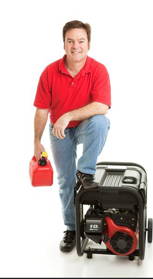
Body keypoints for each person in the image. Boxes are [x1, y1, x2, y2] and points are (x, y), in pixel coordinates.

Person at [33, 20, 111, 253]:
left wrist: (68, 115)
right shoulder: (50, 71)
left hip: (84, 125)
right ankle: (71, 228)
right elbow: (41, 110)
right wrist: (36, 142)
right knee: (66, 181)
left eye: (81, 41)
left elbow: (102, 106)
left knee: (100, 122)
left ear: (89, 43)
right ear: (64, 44)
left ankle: (85, 171)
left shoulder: (98, 70)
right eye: (70, 41)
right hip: (59, 130)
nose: (76, 46)